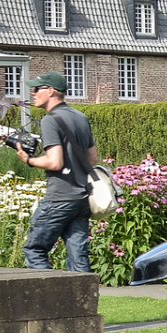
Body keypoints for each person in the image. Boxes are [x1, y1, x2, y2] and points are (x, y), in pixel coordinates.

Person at [15, 72, 98, 272]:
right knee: (78, 257)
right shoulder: (80, 117)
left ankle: (47, 301)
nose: (33, 93)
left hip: (59, 198)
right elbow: (92, 159)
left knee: (35, 249)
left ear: (50, 91)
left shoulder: (50, 120)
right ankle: (80, 303)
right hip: (81, 199)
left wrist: (29, 160)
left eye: (37, 89)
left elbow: (54, 162)